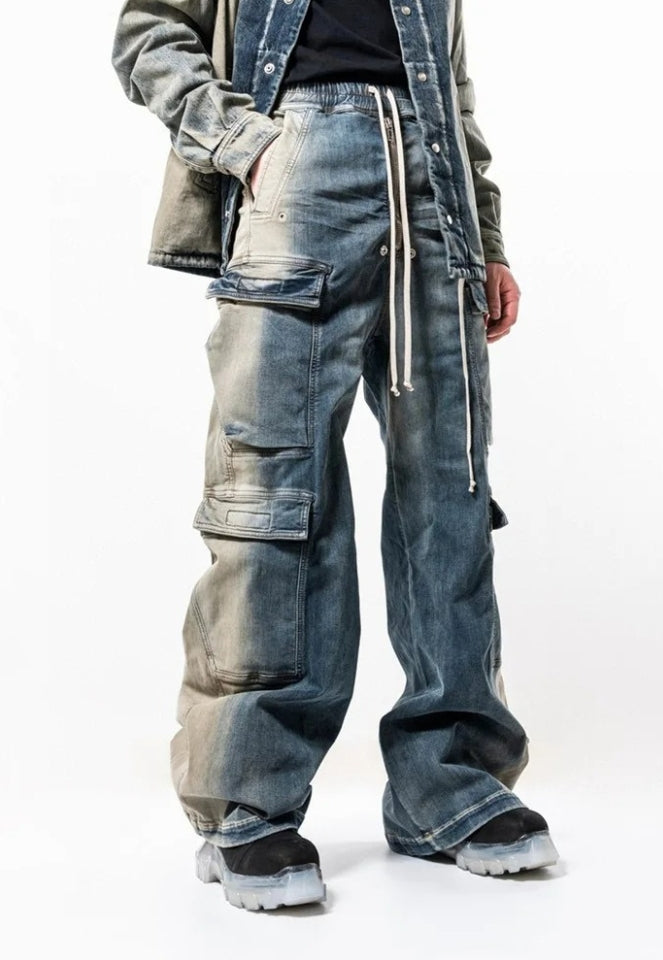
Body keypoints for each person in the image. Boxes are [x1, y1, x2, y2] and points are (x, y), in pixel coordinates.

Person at [111, 0, 559, 911]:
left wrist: (486, 237)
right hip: (296, 171)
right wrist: (244, 143)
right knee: (275, 495)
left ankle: (448, 783)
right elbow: (149, 32)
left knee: (451, 492)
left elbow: (451, 84)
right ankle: (250, 798)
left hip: (432, 186)